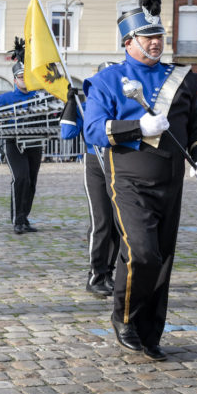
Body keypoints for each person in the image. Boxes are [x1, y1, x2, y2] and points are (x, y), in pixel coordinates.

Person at [83, 0, 197, 362]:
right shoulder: (106, 80)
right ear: (128, 42)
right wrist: (139, 127)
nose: (155, 41)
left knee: (161, 263)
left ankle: (149, 332)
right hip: (129, 180)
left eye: (158, 34)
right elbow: (93, 130)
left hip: (171, 182)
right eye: (146, 35)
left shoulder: (184, 79)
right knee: (142, 252)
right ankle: (123, 317)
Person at [59, 76, 118, 298]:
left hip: (120, 162)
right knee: (101, 221)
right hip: (95, 163)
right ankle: (95, 275)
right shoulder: (87, 106)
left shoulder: (122, 102)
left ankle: (108, 273)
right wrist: (71, 105)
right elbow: (67, 133)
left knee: (118, 224)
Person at [0, 38, 44, 234]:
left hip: (34, 142)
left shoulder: (38, 96)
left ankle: (25, 217)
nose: (24, 79)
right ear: (15, 79)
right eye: (21, 77)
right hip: (13, 143)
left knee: (31, 181)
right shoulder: (5, 98)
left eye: (27, 76)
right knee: (20, 178)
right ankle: (17, 220)